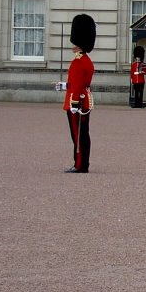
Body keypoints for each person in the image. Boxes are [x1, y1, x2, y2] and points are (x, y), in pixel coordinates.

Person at [62, 14, 95, 173]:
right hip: (85, 101)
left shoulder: (78, 62)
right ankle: (83, 163)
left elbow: (77, 86)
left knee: (78, 134)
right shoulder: (86, 60)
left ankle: (80, 164)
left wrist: (74, 104)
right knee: (83, 134)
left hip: (77, 103)